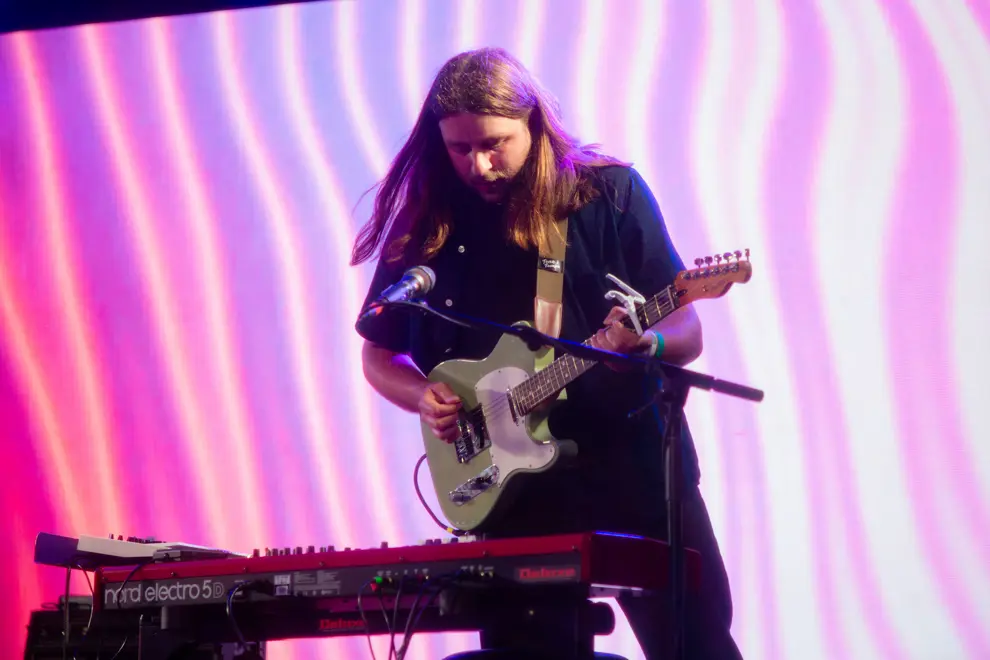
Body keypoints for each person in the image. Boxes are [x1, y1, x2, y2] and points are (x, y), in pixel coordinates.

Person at [351, 47, 742, 660]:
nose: (479, 165)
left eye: (495, 144)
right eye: (460, 149)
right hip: (515, 495)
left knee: (695, 647)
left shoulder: (606, 194)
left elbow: (688, 331)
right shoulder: (428, 226)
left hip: (633, 470)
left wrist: (647, 344)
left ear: (534, 123)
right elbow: (378, 356)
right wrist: (422, 396)